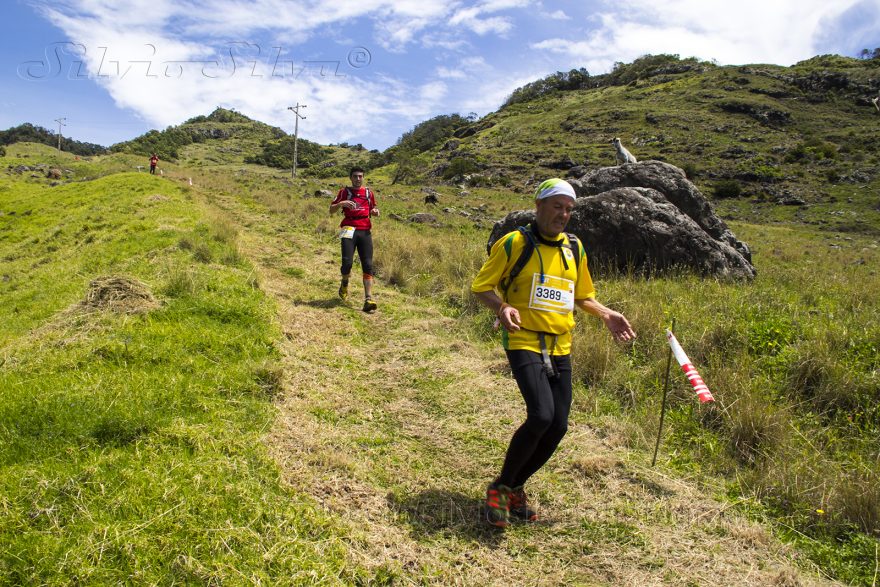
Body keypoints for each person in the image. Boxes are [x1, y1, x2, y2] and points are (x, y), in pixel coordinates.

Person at [471, 178, 636, 528]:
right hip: (523, 341)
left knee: (558, 425)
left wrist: (606, 313)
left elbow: (581, 295)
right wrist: (501, 308)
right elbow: (481, 287)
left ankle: (514, 487)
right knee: (541, 416)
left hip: (561, 346)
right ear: (539, 205)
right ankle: (500, 489)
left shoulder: (574, 248)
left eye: (569, 209)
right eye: (557, 206)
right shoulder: (515, 243)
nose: (563, 214)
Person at [329, 167, 381, 312]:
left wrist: (375, 212)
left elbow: (373, 209)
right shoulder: (344, 192)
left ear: (363, 177)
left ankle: (368, 299)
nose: (358, 179)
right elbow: (331, 210)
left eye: (360, 176)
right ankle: (344, 282)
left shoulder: (368, 193)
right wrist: (340, 204)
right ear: (350, 178)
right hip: (348, 228)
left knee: (368, 264)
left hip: (365, 229)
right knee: (347, 263)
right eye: (355, 176)